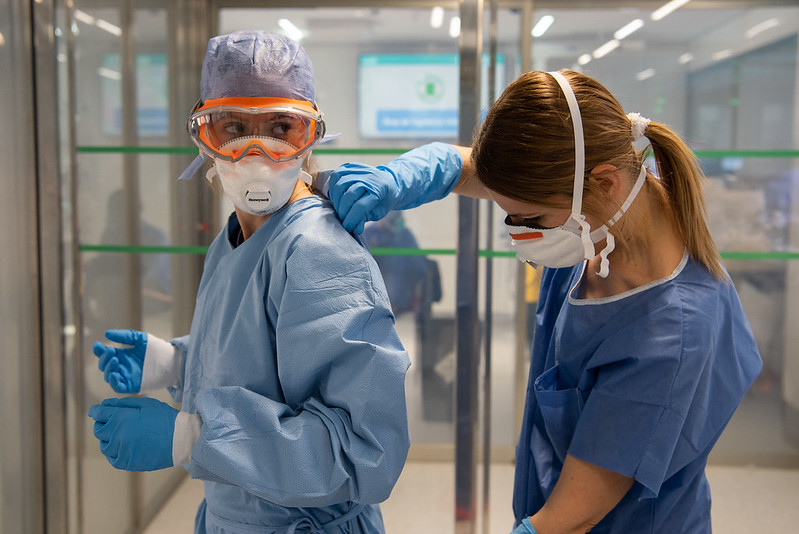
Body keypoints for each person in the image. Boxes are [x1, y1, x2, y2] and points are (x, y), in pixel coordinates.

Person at [322, 70, 762, 533]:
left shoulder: (669, 333)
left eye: (530, 218)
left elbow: (568, 520)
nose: (519, 234)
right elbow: (465, 166)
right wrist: (398, 179)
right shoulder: (604, 214)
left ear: (604, 182)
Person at [88, 31, 410, 533]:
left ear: (311, 137)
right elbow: (266, 366)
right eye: (233, 127)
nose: (256, 152)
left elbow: (364, 453)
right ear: (203, 136)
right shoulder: (240, 233)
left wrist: (192, 437)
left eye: (282, 127)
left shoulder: (318, 252)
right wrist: (175, 362)